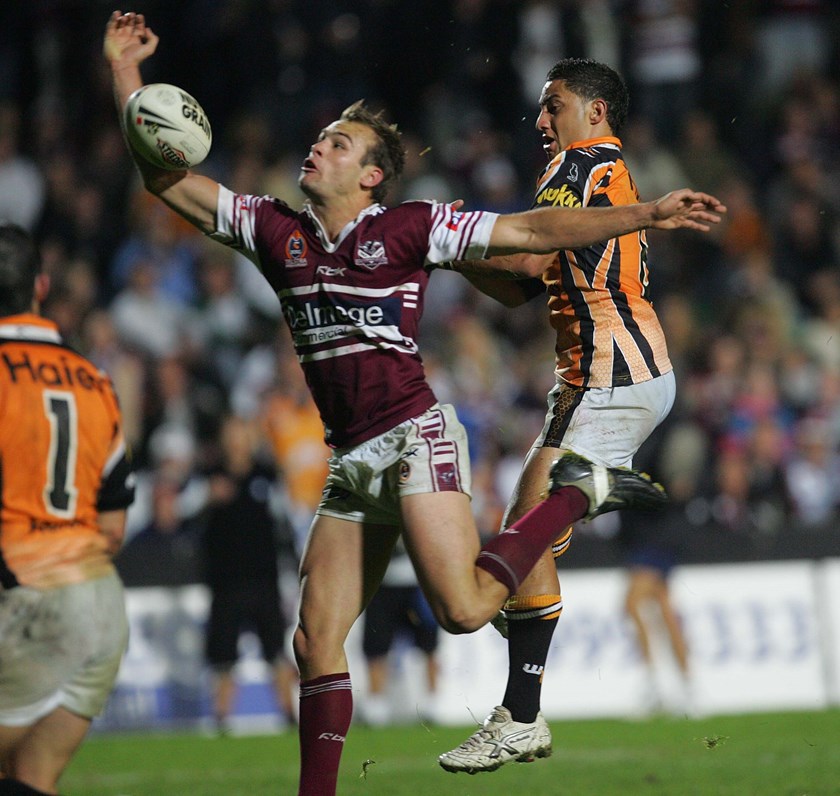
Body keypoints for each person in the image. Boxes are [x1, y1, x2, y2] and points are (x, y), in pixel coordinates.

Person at [104, 14, 724, 794]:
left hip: (412, 439)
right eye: (320, 139)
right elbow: (164, 177)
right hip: (349, 460)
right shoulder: (272, 229)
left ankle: (579, 494)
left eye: (337, 143)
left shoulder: (412, 227)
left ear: (371, 176)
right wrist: (125, 73)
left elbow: (531, 230)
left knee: (464, 612)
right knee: (313, 640)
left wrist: (648, 212)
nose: (317, 147)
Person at [438, 58, 695, 773]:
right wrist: (452, 257)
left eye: (554, 105)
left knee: (517, 549)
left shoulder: (578, 164)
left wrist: (449, 234)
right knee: (522, 547)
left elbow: (523, 265)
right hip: (608, 376)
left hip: (612, 373)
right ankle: (522, 689)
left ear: (595, 112)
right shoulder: (600, 175)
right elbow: (522, 289)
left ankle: (520, 715)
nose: (541, 120)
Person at [0, 223, 135, 796]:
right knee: (34, 778)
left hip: (19, 595)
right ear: (40, 286)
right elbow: (113, 527)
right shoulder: (94, 381)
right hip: (94, 606)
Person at [200, 414, 297, 736]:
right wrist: (207, 497)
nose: (236, 440)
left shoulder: (266, 475)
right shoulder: (209, 476)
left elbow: (286, 518)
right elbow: (184, 512)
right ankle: (221, 719)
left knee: (275, 651)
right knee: (224, 656)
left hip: (264, 579)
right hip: (225, 580)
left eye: (241, 433)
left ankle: (289, 714)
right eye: (231, 433)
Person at [359, 542, 440, 727]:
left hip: (418, 582)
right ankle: (375, 704)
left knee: (429, 645)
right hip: (382, 583)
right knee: (376, 646)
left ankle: (432, 702)